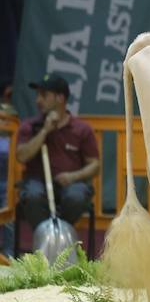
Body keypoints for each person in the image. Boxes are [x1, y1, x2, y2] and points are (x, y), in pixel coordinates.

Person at [15, 74, 99, 230]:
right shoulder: (29, 126)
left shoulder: (82, 129)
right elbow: (21, 156)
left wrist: (73, 176)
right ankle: (45, 239)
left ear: (60, 98)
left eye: (44, 95)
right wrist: (44, 131)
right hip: (37, 182)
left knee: (76, 197)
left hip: (71, 183)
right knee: (32, 196)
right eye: (37, 95)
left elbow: (94, 165)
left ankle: (61, 236)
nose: (38, 100)